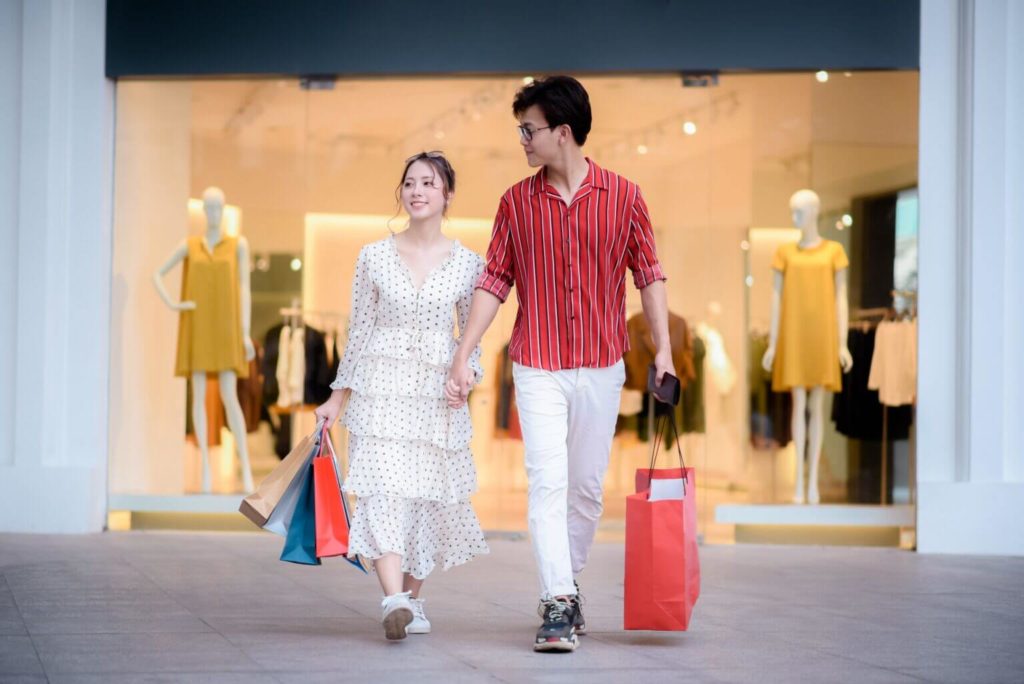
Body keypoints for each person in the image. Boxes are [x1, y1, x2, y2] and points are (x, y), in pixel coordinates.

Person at [445, 76, 675, 652]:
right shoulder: (516, 203)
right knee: (547, 481)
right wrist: (463, 351)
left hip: (603, 364)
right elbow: (494, 280)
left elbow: (649, 276)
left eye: (530, 129)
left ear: (563, 133)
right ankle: (557, 600)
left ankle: (565, 584)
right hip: (538, 363)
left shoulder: (625, 197)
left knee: (587, 490)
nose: (522, 139)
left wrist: (665, 350)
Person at [316, 151, 489, 641]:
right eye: (410, 183)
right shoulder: (372, 256)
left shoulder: (468, 264)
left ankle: (412, 598)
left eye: (428, 183)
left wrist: (467, 374)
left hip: (437, 397)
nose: (417, 191)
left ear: (446, 194)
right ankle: (392, 599)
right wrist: (337, 399)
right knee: (384, 492)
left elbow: (470, 335)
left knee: (430, 499)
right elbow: (359, 333)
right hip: (382, 393)